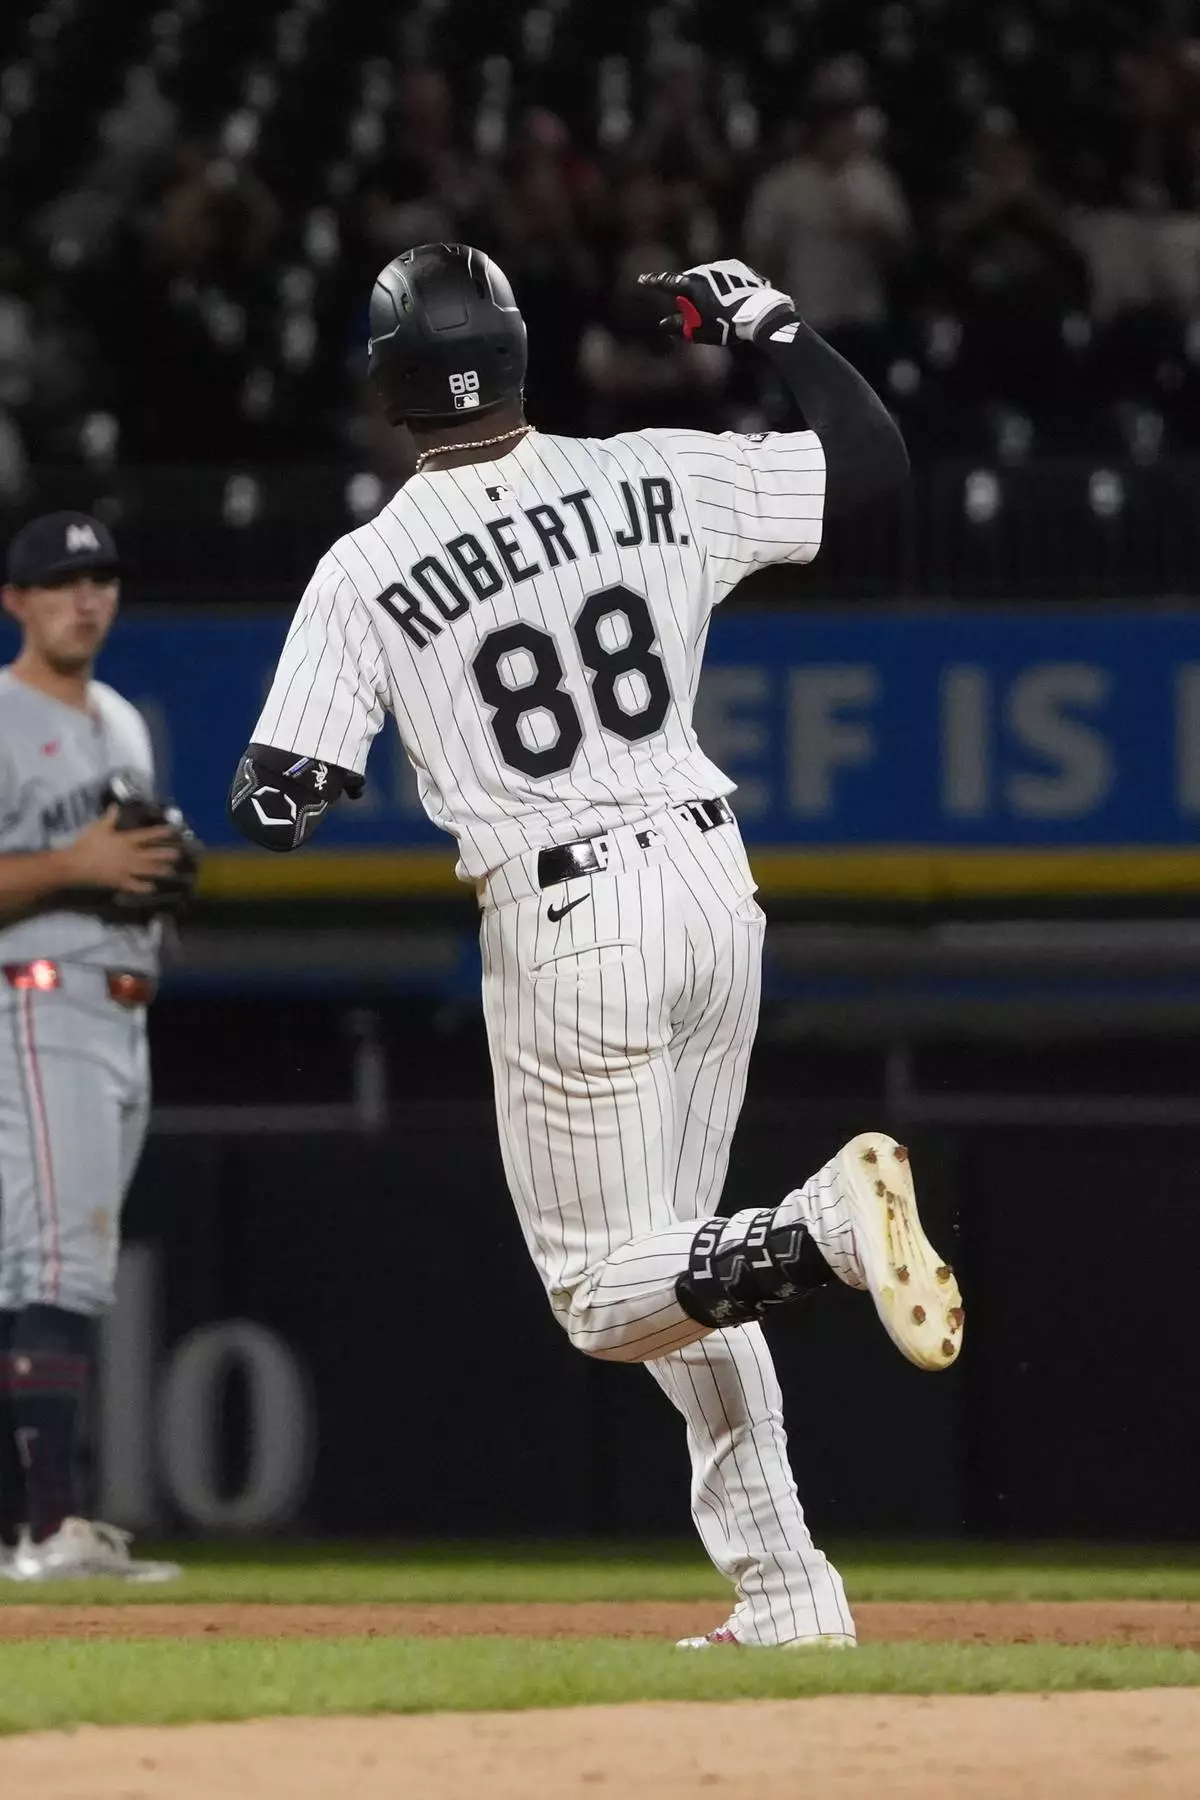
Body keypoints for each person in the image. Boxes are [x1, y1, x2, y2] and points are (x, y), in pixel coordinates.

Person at [227, 244, 964, 1646]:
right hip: (712, 880)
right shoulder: (654, 472)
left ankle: (823, 1226)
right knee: (689, 1266)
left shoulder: (367, 567)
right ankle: (789, 1595)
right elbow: (872, 467)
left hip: (571, 921)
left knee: (598, 1299)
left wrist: (303, 781)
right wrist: (776, 327)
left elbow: (276, 808)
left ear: (388, 387)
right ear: (518, 352)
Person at [0, 511, 195, 1582]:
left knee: (52, 1263)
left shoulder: (121, 717)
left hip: (122, 1003)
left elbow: (123, 860)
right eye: (64, 582)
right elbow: (76, 864)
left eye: (102, 579)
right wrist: (76, 867)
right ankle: (48, 1529)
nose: (87, 599)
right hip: (34, 1001)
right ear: (16, 601)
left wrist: (155, 874)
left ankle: (40, 1526)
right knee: (57, 1262)